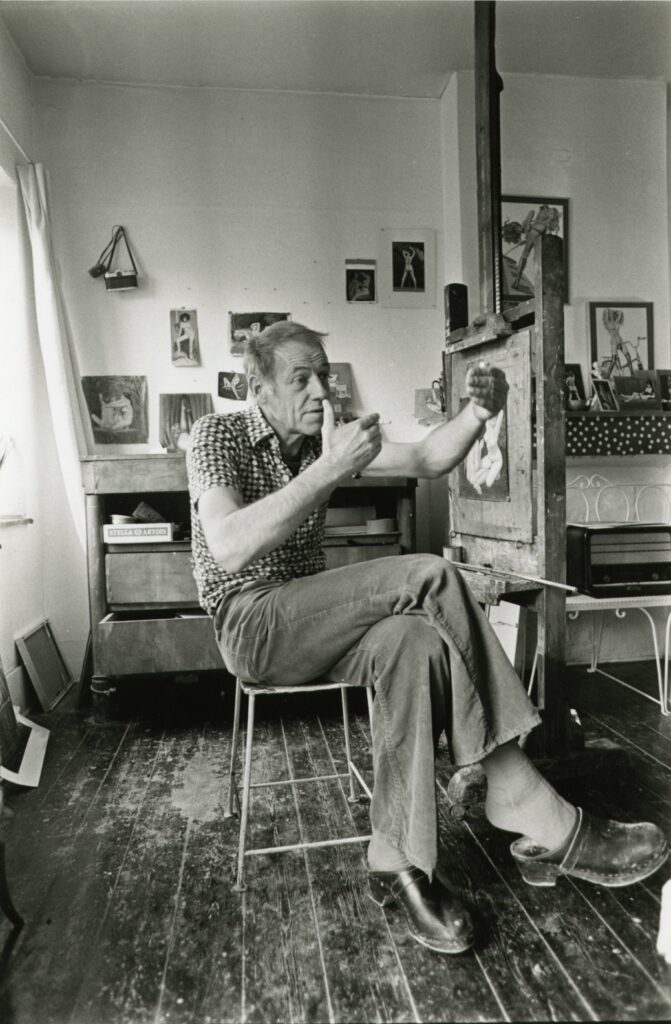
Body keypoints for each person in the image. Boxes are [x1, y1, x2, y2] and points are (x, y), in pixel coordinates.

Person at [186, 321, 667, 956]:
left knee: (415, 642)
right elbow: (228, 545)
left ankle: (396, 858)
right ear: (259, 387)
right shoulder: (216, 435)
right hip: (251, 625)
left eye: (323, 375)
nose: (320, 391)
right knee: (431, 574)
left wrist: (476, 414)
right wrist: (329, 469)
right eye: (301, 379)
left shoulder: (325, 434)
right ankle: (518, 790)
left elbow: (427, 459)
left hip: (310, 622)